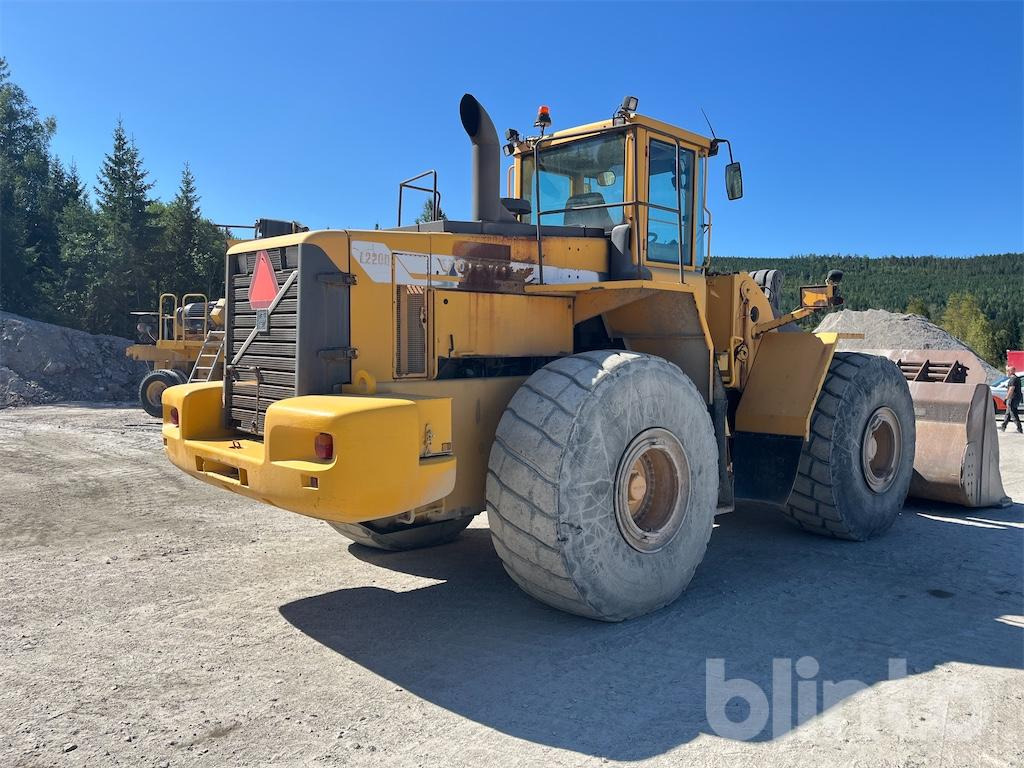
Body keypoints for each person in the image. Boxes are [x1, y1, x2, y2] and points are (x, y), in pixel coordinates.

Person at [1001, 365, 1022, 433]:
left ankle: (1019, 427)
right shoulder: (1017, 378)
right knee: (1008, 412)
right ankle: (1003, 426)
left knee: (1013, 413)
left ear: (1011, 371)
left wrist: (1006, 398)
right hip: (1016, 397)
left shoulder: (1013, 379)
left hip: (1012, 398)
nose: (1007, 372)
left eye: (1007, 371)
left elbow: (1011, 389)